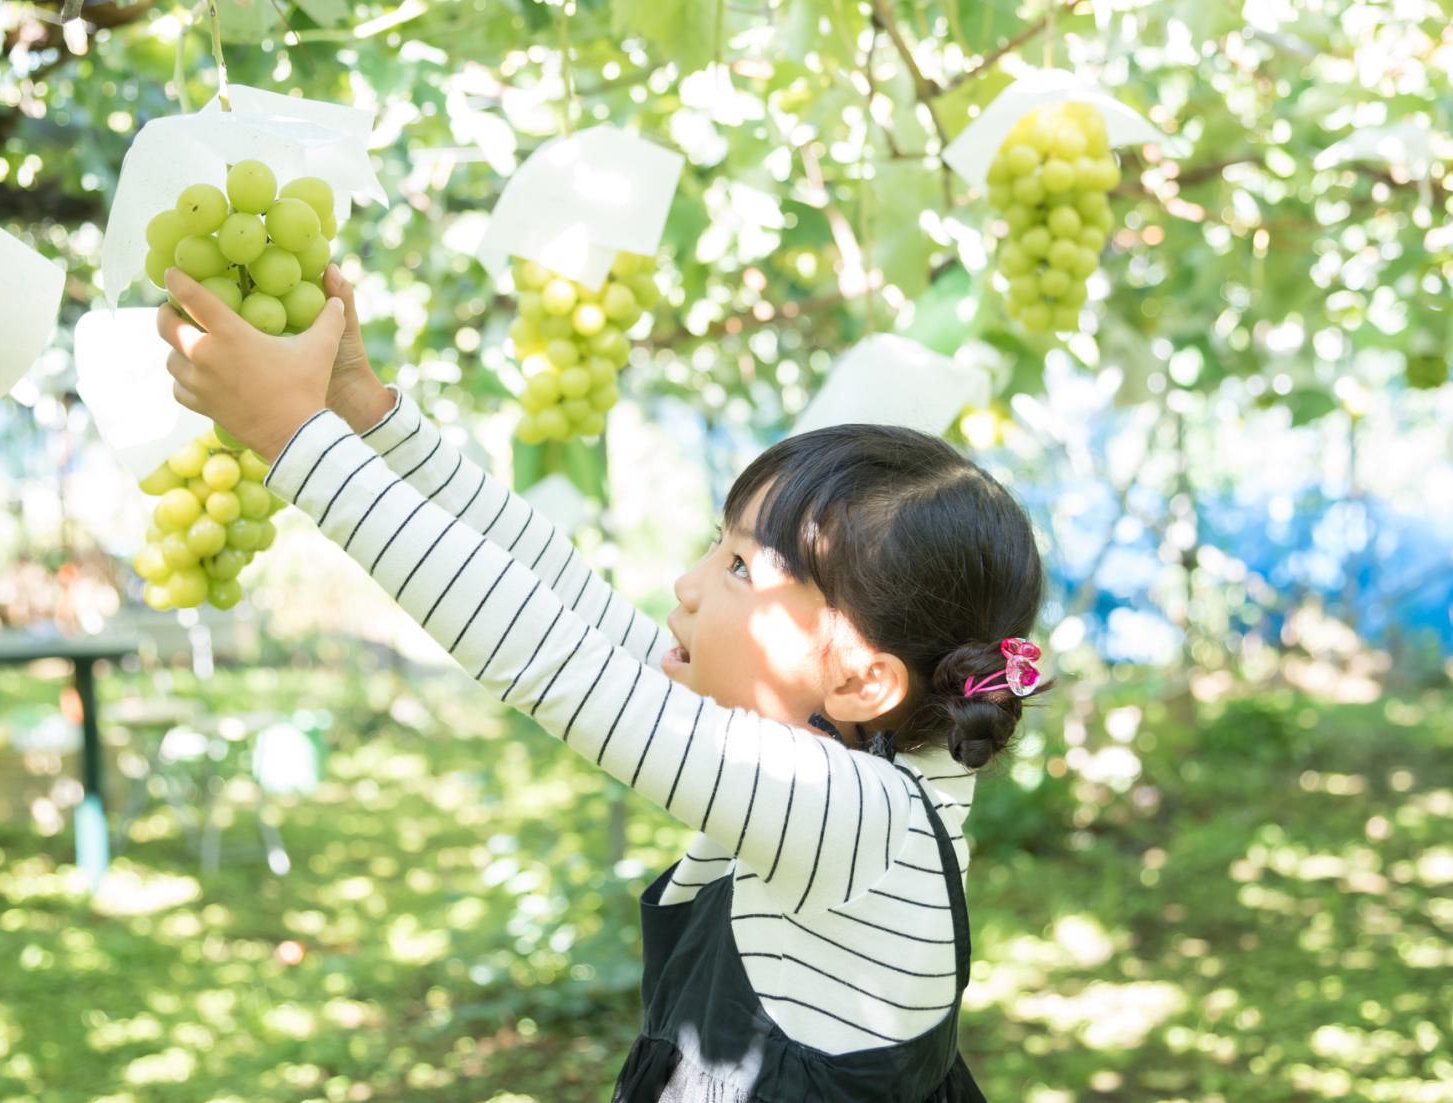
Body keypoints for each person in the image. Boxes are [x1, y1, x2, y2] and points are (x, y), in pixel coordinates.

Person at [155, 264, 1053, 1102]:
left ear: (860, 679)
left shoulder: (854, 817)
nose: (689, 582)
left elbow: (551, 657)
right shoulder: (860, 756)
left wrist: (295, 442)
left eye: (741, 566)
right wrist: (366, 414)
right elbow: (563, 594)